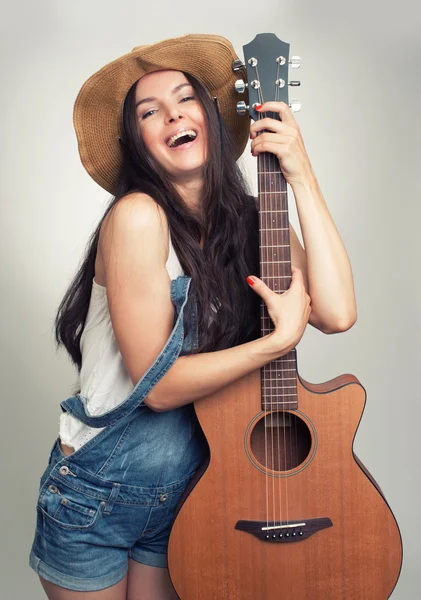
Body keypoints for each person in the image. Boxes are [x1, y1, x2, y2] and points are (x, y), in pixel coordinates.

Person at [28, 33, 357, 599]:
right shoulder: (137, 217)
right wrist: (273, 343)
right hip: (96, 500)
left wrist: (299, 173)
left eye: (185, 100)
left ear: (207, 116)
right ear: (139, 143)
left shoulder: (250, 221)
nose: (173, 115)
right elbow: (158, 389)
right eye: (150, 111)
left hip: (191, 488)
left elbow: (336, 311)